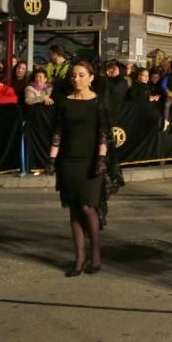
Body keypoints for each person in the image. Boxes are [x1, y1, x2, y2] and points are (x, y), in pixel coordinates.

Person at [49, 61, 113, 276]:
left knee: (88, 207)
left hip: (91, 161)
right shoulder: (64, 102)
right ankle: (79, 257)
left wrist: (102, 158)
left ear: (91, 77)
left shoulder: (98, 102)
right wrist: (52, 158)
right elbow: (57, 131)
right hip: (68, 161)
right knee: (75, 209)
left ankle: (95, 253)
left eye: (81, 75)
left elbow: (104, 132)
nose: (76, 79)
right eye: (74, 75)